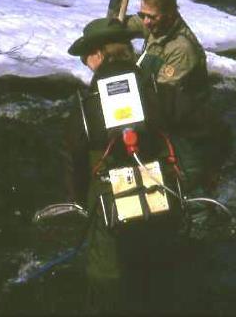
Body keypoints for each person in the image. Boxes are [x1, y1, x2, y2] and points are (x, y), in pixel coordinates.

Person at [62, 17, 186, 311]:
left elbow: (72, 165)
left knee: (107, 282)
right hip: (162, 202)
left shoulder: (84, 109)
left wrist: (78, 207)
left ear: (97, 56)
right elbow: (214, 130)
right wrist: (206, 176)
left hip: (108, 214)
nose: (85, 64)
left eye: (85, 58)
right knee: (162, 283)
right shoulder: (159, 93)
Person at [107, 0, 230, 195]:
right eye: (143, 15)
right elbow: (116, 22)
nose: (145, 22)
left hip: (187, 130)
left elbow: (160, 98)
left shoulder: (182, 49)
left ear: (170, 14)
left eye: (151, 17)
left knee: (186, 189)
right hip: (160, 114)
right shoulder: (155, 26)